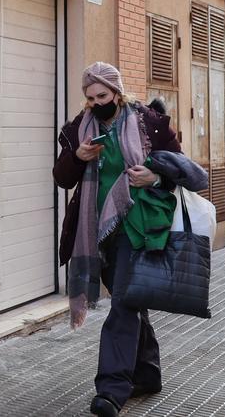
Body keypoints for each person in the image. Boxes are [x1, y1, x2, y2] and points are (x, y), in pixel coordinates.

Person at [52, 62, 182, 417]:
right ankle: (148, 373)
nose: (96, 103)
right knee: (131, 301)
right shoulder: (79, 128)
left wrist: (154, 177)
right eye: (90, 98)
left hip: (137, 229)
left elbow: (182, 168)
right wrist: (76, 157)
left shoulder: (148, 123)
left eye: (103, 96)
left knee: (123, 303)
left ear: (117, 92)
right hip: (95, 232)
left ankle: (111, 390)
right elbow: (62, 179)